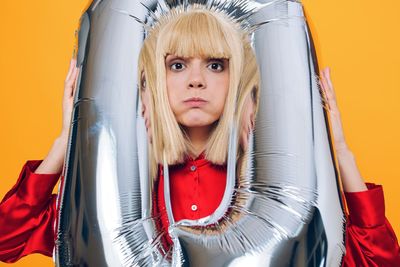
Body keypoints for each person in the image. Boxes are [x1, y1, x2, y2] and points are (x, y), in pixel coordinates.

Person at [0, 6, 399, 267]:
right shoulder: (122, 196)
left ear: (239, 76)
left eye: (215, 64)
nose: (195, 80)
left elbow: (382, 262)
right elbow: (6, 241)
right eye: (176, 65)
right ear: (152, 80)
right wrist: (66, 143)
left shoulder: (275, 193)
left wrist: (340, 153)